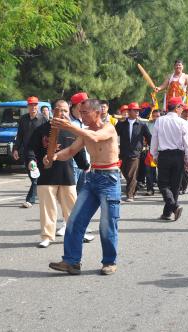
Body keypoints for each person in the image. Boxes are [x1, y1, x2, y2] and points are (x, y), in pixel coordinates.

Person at [48, 99, 121, 276]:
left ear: (98, 113)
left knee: (107, 224)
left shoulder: (108, 128)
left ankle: (109, 262)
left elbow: (95, 137)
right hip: (92, 179)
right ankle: (71, 262)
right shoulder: (84, 132)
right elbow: (71, 151)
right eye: (80, 113)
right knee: (74, 221)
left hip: (109, 179)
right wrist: (55, 157)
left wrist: (69, 127)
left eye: (85, 112)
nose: (82, 116)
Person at [26, 100, 89, 248]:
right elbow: (30, 149)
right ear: (54, 111)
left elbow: (78, 150)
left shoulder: (72, 130)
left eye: (65, 111)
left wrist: (84, 165)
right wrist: (30, 160)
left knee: (72, 207)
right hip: (46, 174)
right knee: (47, 208)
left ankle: (79, 233)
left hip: (67, 173)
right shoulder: (41, 129)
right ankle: (47, 236)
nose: (63, 113)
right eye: (59, 110)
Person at [150, 96, 188, 221]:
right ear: (177, 107)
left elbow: (154, 139)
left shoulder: (160, 120)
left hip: (164, 155)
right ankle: (172, 209)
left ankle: (170, 211)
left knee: (163, 184)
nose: (182, 110)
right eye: (182, 107)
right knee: (174, 185)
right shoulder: (183, 122)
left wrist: (155, 155)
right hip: (178, 156)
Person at [13, 96, 48, 208]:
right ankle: (41, 193)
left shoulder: (43, 119)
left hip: (40, 152)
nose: (33, 107)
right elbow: (19, 136)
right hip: (27, 151)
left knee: (35, 176)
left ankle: (30, 200)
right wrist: (15, 149)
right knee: (33, 175)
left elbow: (48, 136)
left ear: (37, 106)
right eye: (31, 105)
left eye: (35, 105)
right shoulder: (23, 119)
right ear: (27, 106)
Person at [115, 102, 152, 202]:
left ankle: (130, 195)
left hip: (135, 154)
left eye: (138, 111)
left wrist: (152, 150)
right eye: (135, 110)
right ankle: (134, 187)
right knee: (125, 173)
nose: (137, 112)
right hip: (123, 153)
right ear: (129, 111)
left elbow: (149, 138)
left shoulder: (142, 124)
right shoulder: (121, 124)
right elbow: (113, 136)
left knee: (131, 174)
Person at [145, 109, 160, 196]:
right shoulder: (148, 124)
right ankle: (150, 189)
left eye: (157, 116)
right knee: (149, 171)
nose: (155, 118)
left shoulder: (164, 124)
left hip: (162, 151)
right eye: (154, 116)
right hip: (151, 150)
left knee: (162, 172)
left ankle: (162, 189)